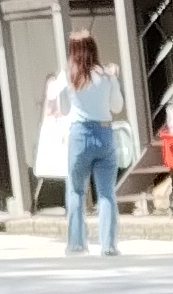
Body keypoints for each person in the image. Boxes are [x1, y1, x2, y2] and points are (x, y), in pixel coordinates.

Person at [53, 33, 125, 256]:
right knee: (106, 193)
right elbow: (117, 106)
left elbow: (63, 109)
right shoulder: (106, 76)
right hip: (104, 133)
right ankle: (109, 245)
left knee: (75, 190)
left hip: (80, 135)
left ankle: (76, 243)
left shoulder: (68, 77)